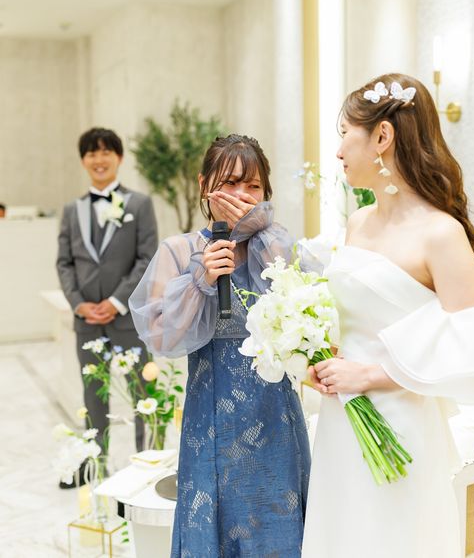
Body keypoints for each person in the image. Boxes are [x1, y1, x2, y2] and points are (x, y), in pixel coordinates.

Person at [302, 74, 474, 557]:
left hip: (402, 423)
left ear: (382, 136)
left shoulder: (441, 234)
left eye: (344, 133)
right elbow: (358, 318)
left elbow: (469, 343)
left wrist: (371, 374)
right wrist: (322, 357)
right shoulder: (356, 223)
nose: (337, 150)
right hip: (341, 420)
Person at [129, 134, 311, 557]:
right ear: (204, 185)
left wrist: (263, 234)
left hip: (276, 416)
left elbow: (308, 312)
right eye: (229, 183)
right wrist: (200, 280)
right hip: (211, 419)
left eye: (253, 186)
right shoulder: (179, 250)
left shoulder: (277, 245)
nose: (241, 195)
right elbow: (160, 335)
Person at [56, 127, 158, 464]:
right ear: (83, 160)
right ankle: (97, 463)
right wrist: (79, 304)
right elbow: (65, 263)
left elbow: (147, 258)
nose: (99, 160)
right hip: (87, 322)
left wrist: (116, 301)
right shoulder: (71, 210)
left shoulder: (139, 204)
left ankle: (149, 463)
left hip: (127, 319)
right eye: (91, 153)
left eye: (106, 152)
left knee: (143, 392)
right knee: (93, 395)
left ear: (119, 158)